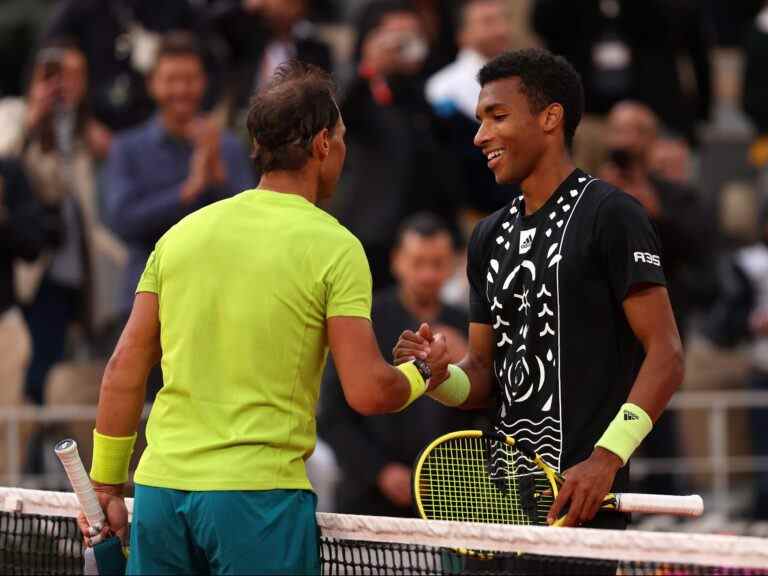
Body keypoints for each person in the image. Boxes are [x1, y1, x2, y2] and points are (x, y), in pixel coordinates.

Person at [79, 60, 446, 574]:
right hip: (257, 499)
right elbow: (368, 391)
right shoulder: (336, 246)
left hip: (161, 494)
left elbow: (122, 368)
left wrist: (106, 485)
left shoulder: (181, 235)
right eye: (339, 137)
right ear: (322, 144)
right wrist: (424, 372)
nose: (342, 150)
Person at [394, 49, 684, 529]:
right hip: (500, 505)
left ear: (551, 118)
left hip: (580, 505)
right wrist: (438, 377)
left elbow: (667, 354)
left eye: (497, 116)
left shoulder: (612, 214)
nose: (480, 135)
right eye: (479, 119)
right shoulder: (486, 237)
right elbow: (484, 375)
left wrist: (606, 460)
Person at [320, 212, 484, 517]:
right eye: (418, 262)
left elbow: (487, 415)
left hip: (448, 502)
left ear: (453, 264)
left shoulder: (468, 326)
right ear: (397, 260)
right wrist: (379, 471)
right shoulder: (363, 320)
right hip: (367, 500)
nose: (427, 275)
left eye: (437, 263)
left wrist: (468, 366)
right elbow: (331, 412)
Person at [104, 31, 253, 334]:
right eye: (172, 79)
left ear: (203, 83)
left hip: (217, 305)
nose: (182, 89)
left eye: (190, 79)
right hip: (147, 305)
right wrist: (188, 190)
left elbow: (252, 226)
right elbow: (122, 220)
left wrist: (218, 176)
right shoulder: (127, 148)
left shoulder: (226, 147)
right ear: (152, 84)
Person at [331, 0, 460, 289]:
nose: (405, 46)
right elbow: (334, 118)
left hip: (420, 238)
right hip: (366, 238)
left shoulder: (426, 96)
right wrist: (370, 68)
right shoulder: (355, 88)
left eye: (413, 36)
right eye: (396, 38)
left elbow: (442, 163)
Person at [425, 0, 513, 218]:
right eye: (488, 22)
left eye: (503, 20)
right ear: (462, 34)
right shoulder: (443, 87)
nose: (500, 29)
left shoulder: (524, 81)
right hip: (471, 210)